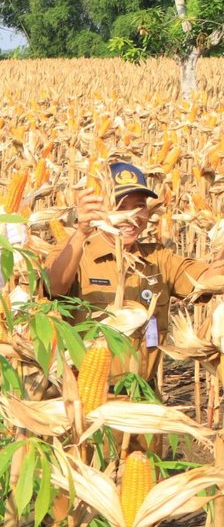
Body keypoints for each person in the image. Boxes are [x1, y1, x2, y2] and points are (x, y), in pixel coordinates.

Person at [45, 160, 224, 379]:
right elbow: (54, 286)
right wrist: (81, 232)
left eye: (138, 206)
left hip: (142, 393)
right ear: (100, 210)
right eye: (120, 206)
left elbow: (208, 278)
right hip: (89, 397)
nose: (131, 217)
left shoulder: (158, 258)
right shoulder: (76, 251)